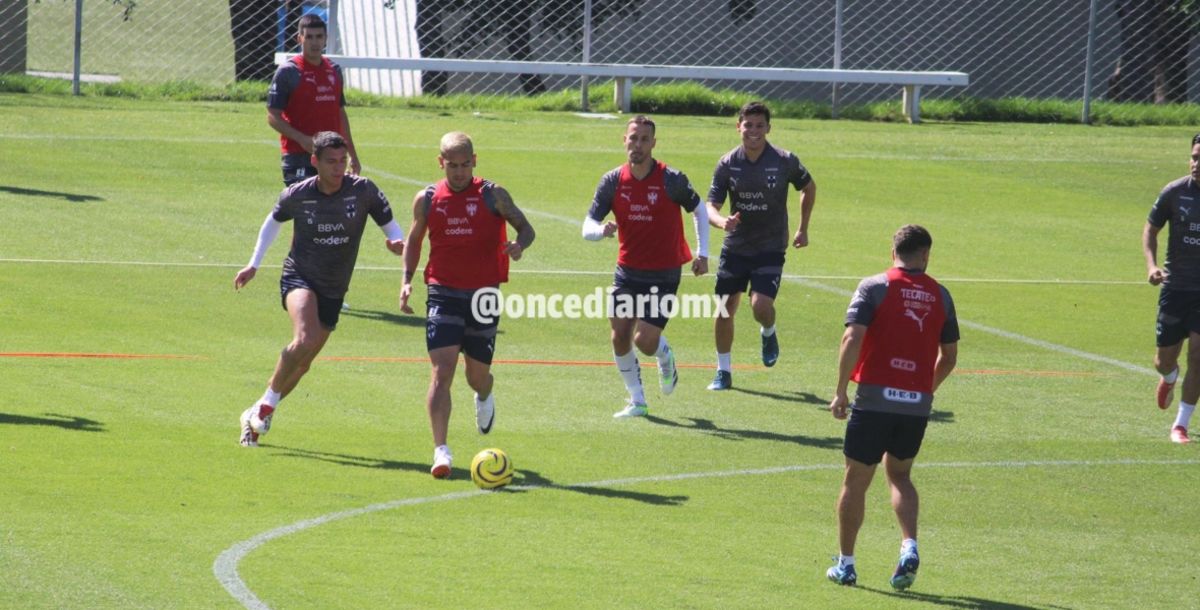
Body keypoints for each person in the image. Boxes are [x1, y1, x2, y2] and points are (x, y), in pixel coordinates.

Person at [234, 131, 405, 447]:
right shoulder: (298, 194)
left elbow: (390, 224)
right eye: (331, 162)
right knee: (305, 337)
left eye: (343, 161)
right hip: (299, 277)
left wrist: (396, 242)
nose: (338, 168)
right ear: (315, 162)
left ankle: (255, 413)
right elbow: (272, 222)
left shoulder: (363, 190)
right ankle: (268, 404)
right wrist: (253, 263)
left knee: (303, 363)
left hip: (334, 287)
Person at [825, 225, 959, 590]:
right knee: (899, 475)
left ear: (893, 251)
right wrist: (922, 390)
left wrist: (840, 391)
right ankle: (909, 545)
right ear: (926, 254)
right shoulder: (941, 296)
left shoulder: (875, 287)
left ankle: (847, 565)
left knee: (856, 480)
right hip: (915, 406)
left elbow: (852, 336)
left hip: (874, 400)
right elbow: (949, 357)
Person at [400, 132, 536, 478]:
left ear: (474, 161)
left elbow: (526, 228)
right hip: (443, 292)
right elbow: (414, 241)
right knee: (441, 372)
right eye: (451, 165)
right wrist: (406, 281)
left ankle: (485, 392)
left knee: (476, 377)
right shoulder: (428, 199)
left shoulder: (494, 195)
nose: (458, 172)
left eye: (464, 165)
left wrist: (519, 245)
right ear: (440, 162)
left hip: (484, 295)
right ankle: (441, 451)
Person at [582, 115, 710, 418]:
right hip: (627, 269)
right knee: (619, 335)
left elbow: (699, 209)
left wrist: (702, 252)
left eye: (644, 139)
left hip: (664, 272)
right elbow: (588, 224)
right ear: (624, 140)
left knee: (645, 341)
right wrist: (601, 232)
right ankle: (637, 399)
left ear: (653, 143)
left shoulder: (671, 179)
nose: (637, 144)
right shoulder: (612, 181)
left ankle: (665, 356)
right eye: (633, 138)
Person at [704, 101, 816, 390]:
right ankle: (723, 371)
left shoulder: (783, 160)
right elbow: (711, 205)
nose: (753, 131)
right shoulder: (728, 163)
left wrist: (803, 228)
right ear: (738, 126)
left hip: (770, 246)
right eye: (748, 124)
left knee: (761, 306)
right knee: (725, 308)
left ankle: (768, 331)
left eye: (759, 125)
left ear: (768, 128)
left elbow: (808, 186)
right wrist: (721, 222)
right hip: (736, 247)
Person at [1143, 133, 1200, 444]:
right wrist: (1152, 266)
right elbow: (1151, 228)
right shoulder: (1175, 193)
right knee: (1164, 358)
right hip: (1175, 287)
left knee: (1199, 354)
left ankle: (1181, 424)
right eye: (1194, 157)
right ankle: (1169, 377)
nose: (1196, 164)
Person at [268, 14, 361, 187]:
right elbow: (273, 115)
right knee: (306, 211)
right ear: (299, 39)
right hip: (298, 156)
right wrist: (302, 139)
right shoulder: (289, 72)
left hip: (331, 157)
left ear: (325, 39)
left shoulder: (334, 70)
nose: (314, 42)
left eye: (319, 37)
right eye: (309, 37)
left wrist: (352, 155)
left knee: (331, 211)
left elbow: (340, 114)